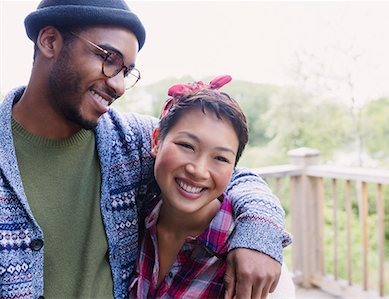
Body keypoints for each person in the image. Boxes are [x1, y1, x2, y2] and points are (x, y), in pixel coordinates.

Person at [0, 1, 291, 299]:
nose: (119, 85)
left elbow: (236, 177)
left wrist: (259, 235)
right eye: (108, 58)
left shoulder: (127, 140)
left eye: (126, 71)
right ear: (49, 41)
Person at [129, 75, 294, 298]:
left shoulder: (254, 263)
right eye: (187, 145)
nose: (198, 170)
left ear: (234, 167)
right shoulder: (129, 220)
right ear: (157, 141)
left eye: (221, 158)